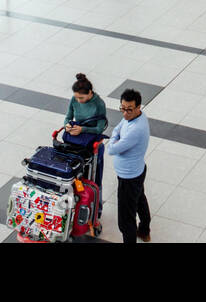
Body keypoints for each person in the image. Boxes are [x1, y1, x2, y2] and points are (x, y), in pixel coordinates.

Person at [104, 88, 151, 243]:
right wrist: (116, 137)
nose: (124, 113)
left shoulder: (136, 129)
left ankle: (137, 234)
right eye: (122, 108)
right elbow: (118, 128)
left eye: (129, 110)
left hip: (129, 177)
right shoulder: (135, 116)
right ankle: (144, 230)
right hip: (137, 170)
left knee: (125, 220)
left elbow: (111, 149)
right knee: (139, 200)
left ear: (138, 107)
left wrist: (114, 140)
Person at [62, 73, 107, 190]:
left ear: (90, 93)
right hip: (77, 142)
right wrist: (67, 126)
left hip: (92, 144)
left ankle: (97, 206)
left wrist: (82, 129)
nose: (78, 100)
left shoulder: (99, 104)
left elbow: (99, 128)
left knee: (94, 179)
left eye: (81, 98)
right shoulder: (74, 99)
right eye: (76, 97)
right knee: (75, 176)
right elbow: (68, 117)